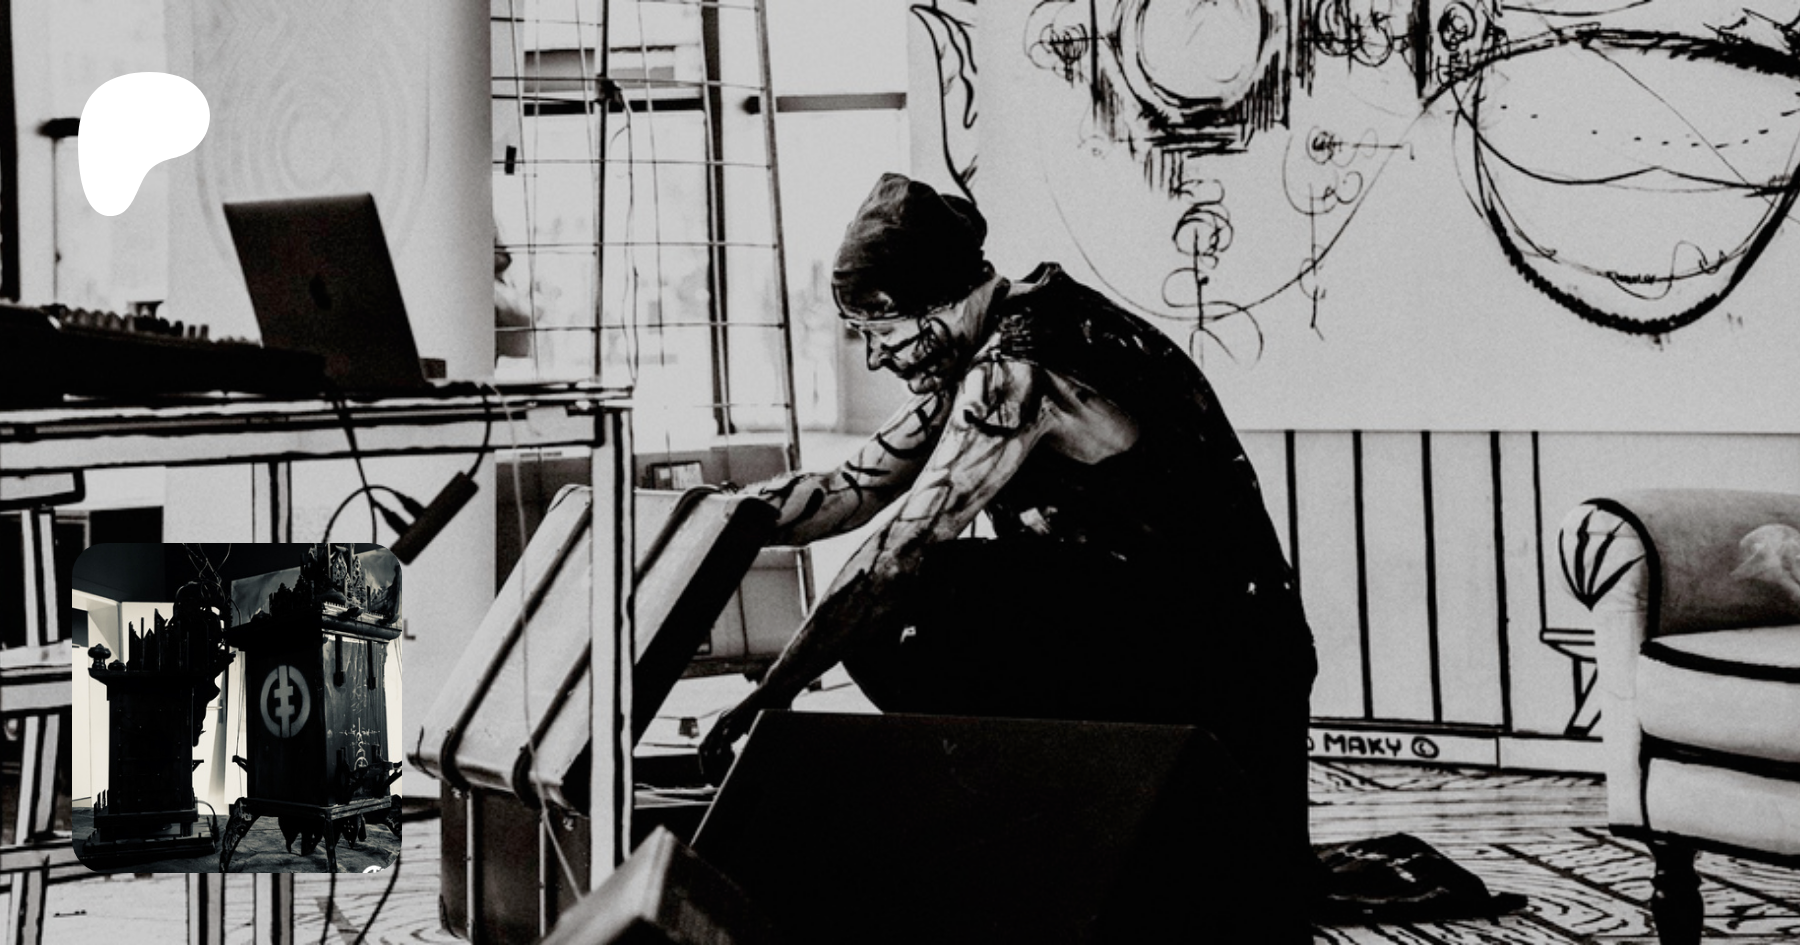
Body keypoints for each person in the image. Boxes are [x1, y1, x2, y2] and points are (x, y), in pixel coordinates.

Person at [699, 173, 1319, 924]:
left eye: (880, 334)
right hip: (1176, 634)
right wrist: (709, 519)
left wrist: (773, 690)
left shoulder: (1020, 367)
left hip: (1229, 662)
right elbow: (850, 487)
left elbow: (899, 553)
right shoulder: (984, 347)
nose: (873, 360)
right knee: (923, 603)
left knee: (922, 600)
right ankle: (1056, 816)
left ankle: (1051, 821)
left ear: (938, 306)